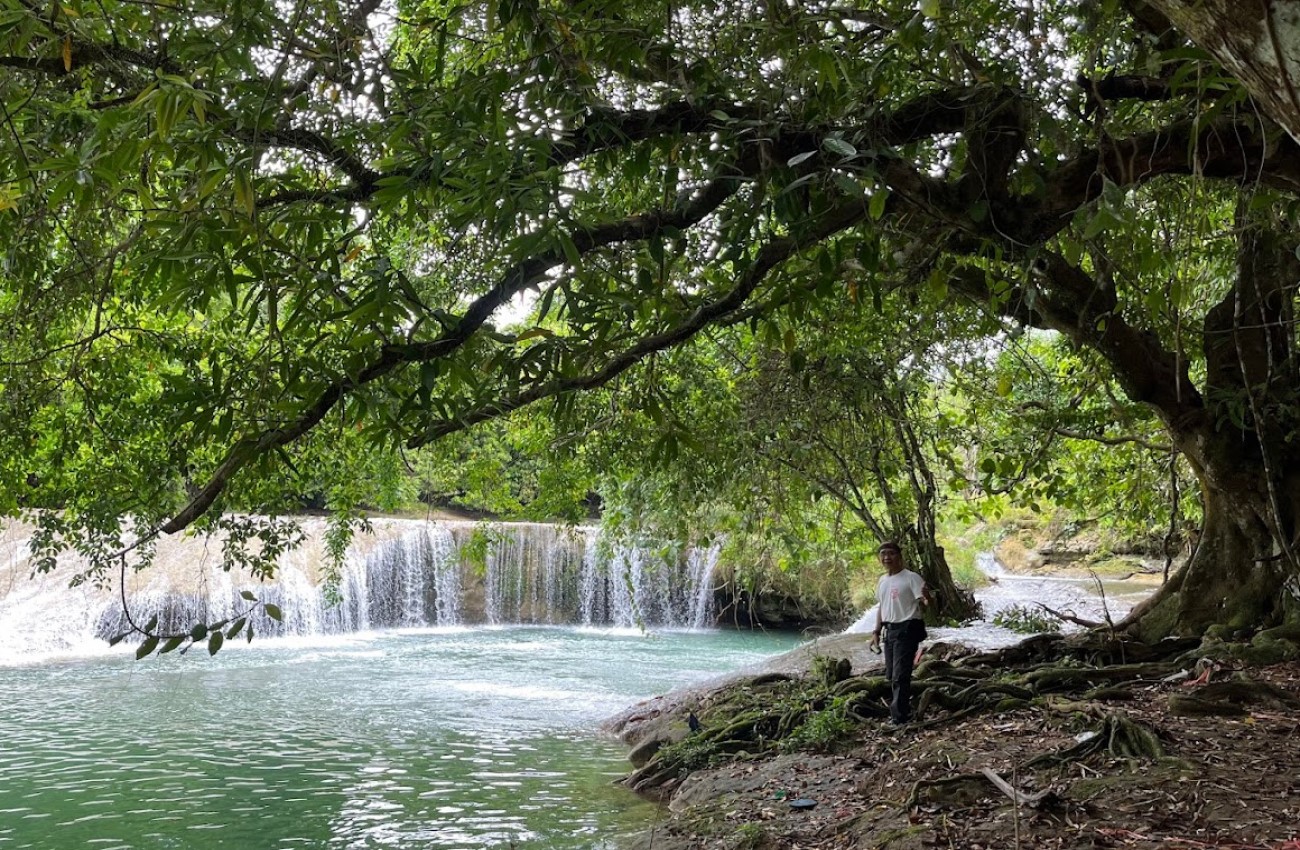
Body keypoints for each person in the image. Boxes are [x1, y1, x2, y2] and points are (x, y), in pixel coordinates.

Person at [869, 540, 930, 725]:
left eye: (891, 553)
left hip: (908, 629)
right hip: (890, 631)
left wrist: (928, 598)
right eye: (883, 554)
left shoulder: (911, 578)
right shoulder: (882, 580)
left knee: (900, 675)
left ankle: (899, 717)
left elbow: (926, 604)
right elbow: (882, 607)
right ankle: (903, 708)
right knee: (891, 675)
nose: (887, 557)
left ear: (899, 556)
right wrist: (876, 632)